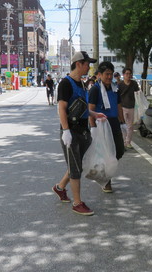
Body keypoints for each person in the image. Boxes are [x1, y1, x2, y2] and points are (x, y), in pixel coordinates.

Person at [52, 51, 106, 216]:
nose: (89, 67)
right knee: (75, 168)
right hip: (71, 132)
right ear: (78, 64)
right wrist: (66, 131)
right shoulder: (65, 84)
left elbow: (82, 108)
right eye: (87, 64)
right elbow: (62, 108)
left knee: (77, 164)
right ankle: (77, 203)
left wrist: (95, 115)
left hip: (83, 131)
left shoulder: (82, 84)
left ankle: (60, 187)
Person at [88, 61, 126, 193]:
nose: (109, 77)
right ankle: (106, 180)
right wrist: (93, 127)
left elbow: (119, 106)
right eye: (106, 74)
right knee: (106, 152)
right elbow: (91, 109)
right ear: (99, 74)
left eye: (111, 74)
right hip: (102, 124)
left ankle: (104, 173)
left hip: (114, 122)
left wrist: (123, 122)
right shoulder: (95, 89)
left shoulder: (115, 88)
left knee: (119, 150)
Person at [117, 67, 140, 149]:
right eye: (127, 74)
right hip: (122, 107)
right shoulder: (120, 85)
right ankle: (123, 142)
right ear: (123, 75)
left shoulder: (134, 84)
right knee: (123, 125)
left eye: (130, 74)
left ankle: (128, 142)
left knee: (130, 126)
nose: (128, 75)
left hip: (132, 107)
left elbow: (138, 94)